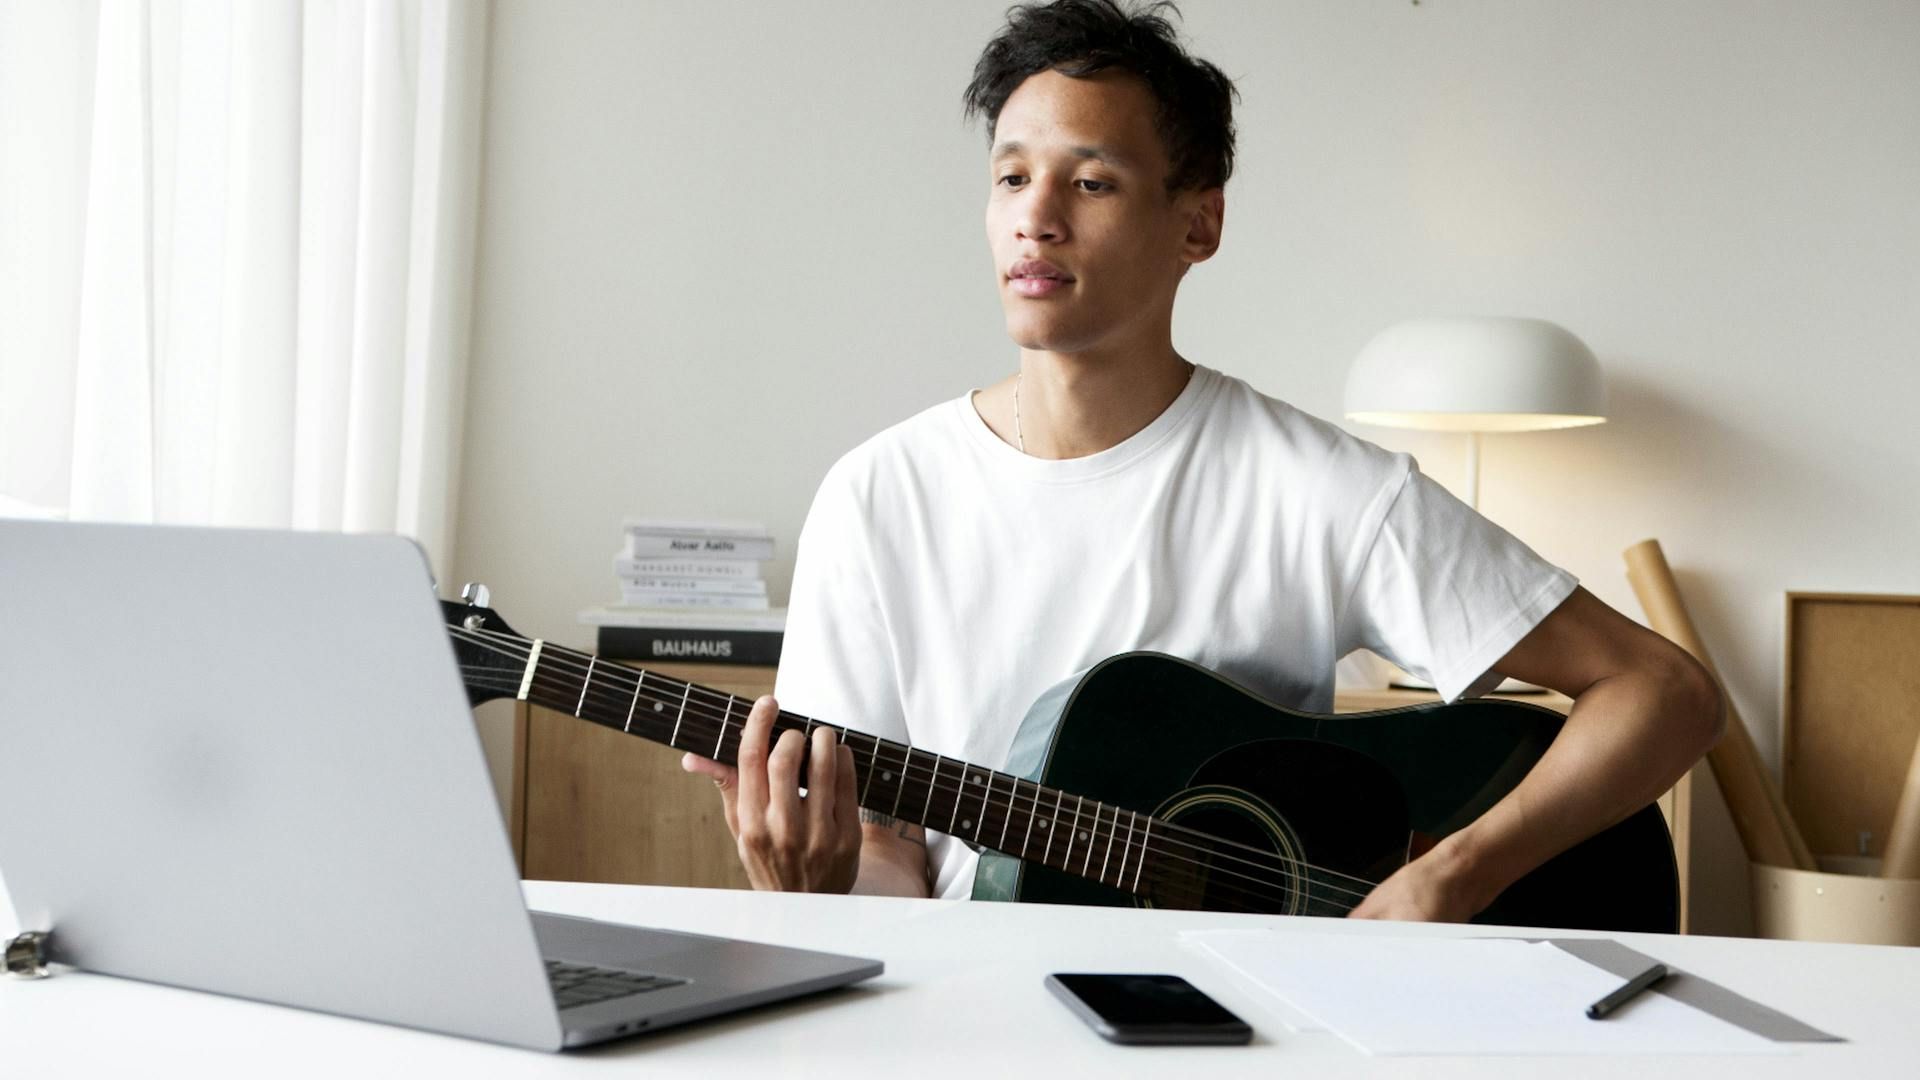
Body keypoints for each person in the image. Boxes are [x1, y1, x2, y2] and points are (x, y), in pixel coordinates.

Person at [681, 0, 1721, 921]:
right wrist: (812, 889)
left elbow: (1664, 691)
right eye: (1010, 177)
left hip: (1255, 1022)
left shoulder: (1318, 490)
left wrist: (1452, 876)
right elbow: (888, 860)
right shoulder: (877, 498)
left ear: (1199, 222)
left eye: (1089, 181)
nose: (1035, 219)